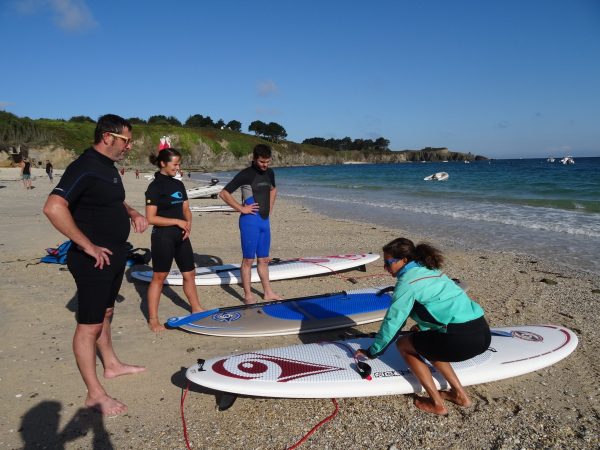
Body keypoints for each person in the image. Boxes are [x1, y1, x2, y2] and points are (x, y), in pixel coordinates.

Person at [43, 114, 148, 416]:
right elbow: (53, 207)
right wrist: (86, 244)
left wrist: (132, 212)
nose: (129, 147)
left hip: (115, 254)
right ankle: (94, 394)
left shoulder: (107, 168)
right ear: (108, 137)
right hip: (93, 260)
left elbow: (110, 201)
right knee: (89, 326)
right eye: (126, 140)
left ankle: (112, 365)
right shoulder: (85, 166)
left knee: (106, 312)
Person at [355, 237, 491, 416]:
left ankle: (437, 404)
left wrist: (373, 352)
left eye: (388, 263)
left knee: (403, 344)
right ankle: (461, 396)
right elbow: (442, 306)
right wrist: (424, 327)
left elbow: (393, 323)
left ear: (404, 260)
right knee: (429, 342)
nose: (385, 268)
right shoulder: (433, 271)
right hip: (483, 333)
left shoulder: (406, 284)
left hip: (460, 341)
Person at [145, 148, 204, 332]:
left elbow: (186, 209)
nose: (178, 168)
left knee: (190, 274)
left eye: (179, 164)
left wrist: (188, 225)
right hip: (163, 237)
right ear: (163, 163)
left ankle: (196, 308)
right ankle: (153, 320)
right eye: (175, 164)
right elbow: (150, 218)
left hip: (181, 235)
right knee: (159, 277)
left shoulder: (178, 185)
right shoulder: (155, 187)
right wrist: (177, 221)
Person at [219, 144, 281, 304]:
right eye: (261, 162)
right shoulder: (246, 174)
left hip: (264, 221)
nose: (265, 165)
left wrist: (269, 208)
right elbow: (224, 193)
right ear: (254, 159)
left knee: (264, 259)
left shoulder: (270, 172)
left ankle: (267, 292)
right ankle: (248, 295)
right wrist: (241, 208)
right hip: (249, 222)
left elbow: (273, 190)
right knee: (248, 260)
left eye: (267, 162)